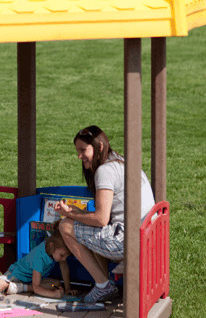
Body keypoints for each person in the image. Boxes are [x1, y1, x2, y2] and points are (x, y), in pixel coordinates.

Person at [54, 125, 155, 303]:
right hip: (146, 235)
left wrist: (70, 216)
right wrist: (77, 212)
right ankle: (103, 284)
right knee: (86, 225)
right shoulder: (121, 162)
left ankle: (103, 285)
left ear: (99, 147)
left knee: (65, 226)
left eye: (83, 150)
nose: (79, 156)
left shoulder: (104, 171)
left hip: (128, 241)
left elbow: (101, 220)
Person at [0, 225, 73, 298]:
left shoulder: (53, 249)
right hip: (16, 275)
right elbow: (36, 288)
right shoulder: (39, 257)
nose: (64, 259)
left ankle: (19, 287)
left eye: (66, 256)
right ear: (52, 246)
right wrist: (53, 295)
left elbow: (64, 266)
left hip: (31, 279)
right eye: (62, 255)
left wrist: (68, 289)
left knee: (56, 284)